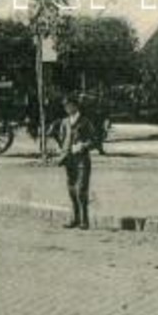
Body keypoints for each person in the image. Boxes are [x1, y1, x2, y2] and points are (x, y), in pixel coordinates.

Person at [57, 96, 95, 229]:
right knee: (71, 190)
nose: (67, 108)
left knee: (81, 190)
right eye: (65, 106)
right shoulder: (65, 122)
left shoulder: (84, 122)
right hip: (69, 160)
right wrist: (62, 152)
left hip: (82, 160)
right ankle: (75, 219)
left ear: (75, 106)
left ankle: (85, 220)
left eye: (69, 105)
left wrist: (83, 145)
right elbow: (62, 139)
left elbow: (93, 140)